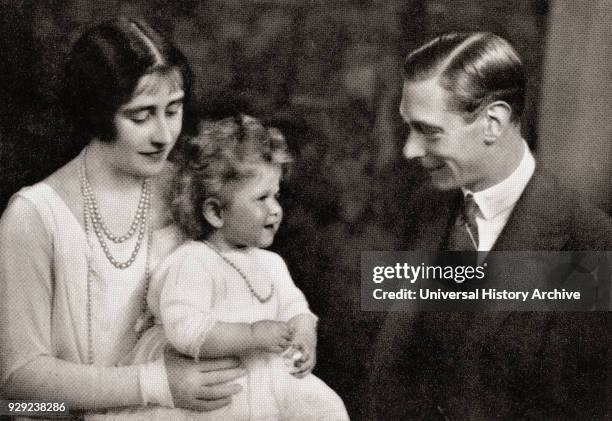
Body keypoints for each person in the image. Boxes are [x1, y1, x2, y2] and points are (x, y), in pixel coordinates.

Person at [0, 18, 244, 418]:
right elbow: (17, 385)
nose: (164, 135)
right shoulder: (32, 218)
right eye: (141, 115)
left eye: (174, 109)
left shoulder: (189, 190)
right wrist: (157, 384)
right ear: (98, 114)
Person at [370, 32, 612, 419]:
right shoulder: (425, 209)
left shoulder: (591, 245)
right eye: (408, 128)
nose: (409, 150)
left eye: (428, 131)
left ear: (493, 123)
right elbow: (390, 366)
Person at [114, 115, 349, 420]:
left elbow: (296, 309)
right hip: (218, 388)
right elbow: (184, 329)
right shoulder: (192, 261)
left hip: (268, 381)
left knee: (326, 409)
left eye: (276, 195)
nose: (275, 208)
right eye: (261, 198)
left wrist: (304, 336)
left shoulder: (271, 264)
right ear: (215, 212)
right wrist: (251, 334)